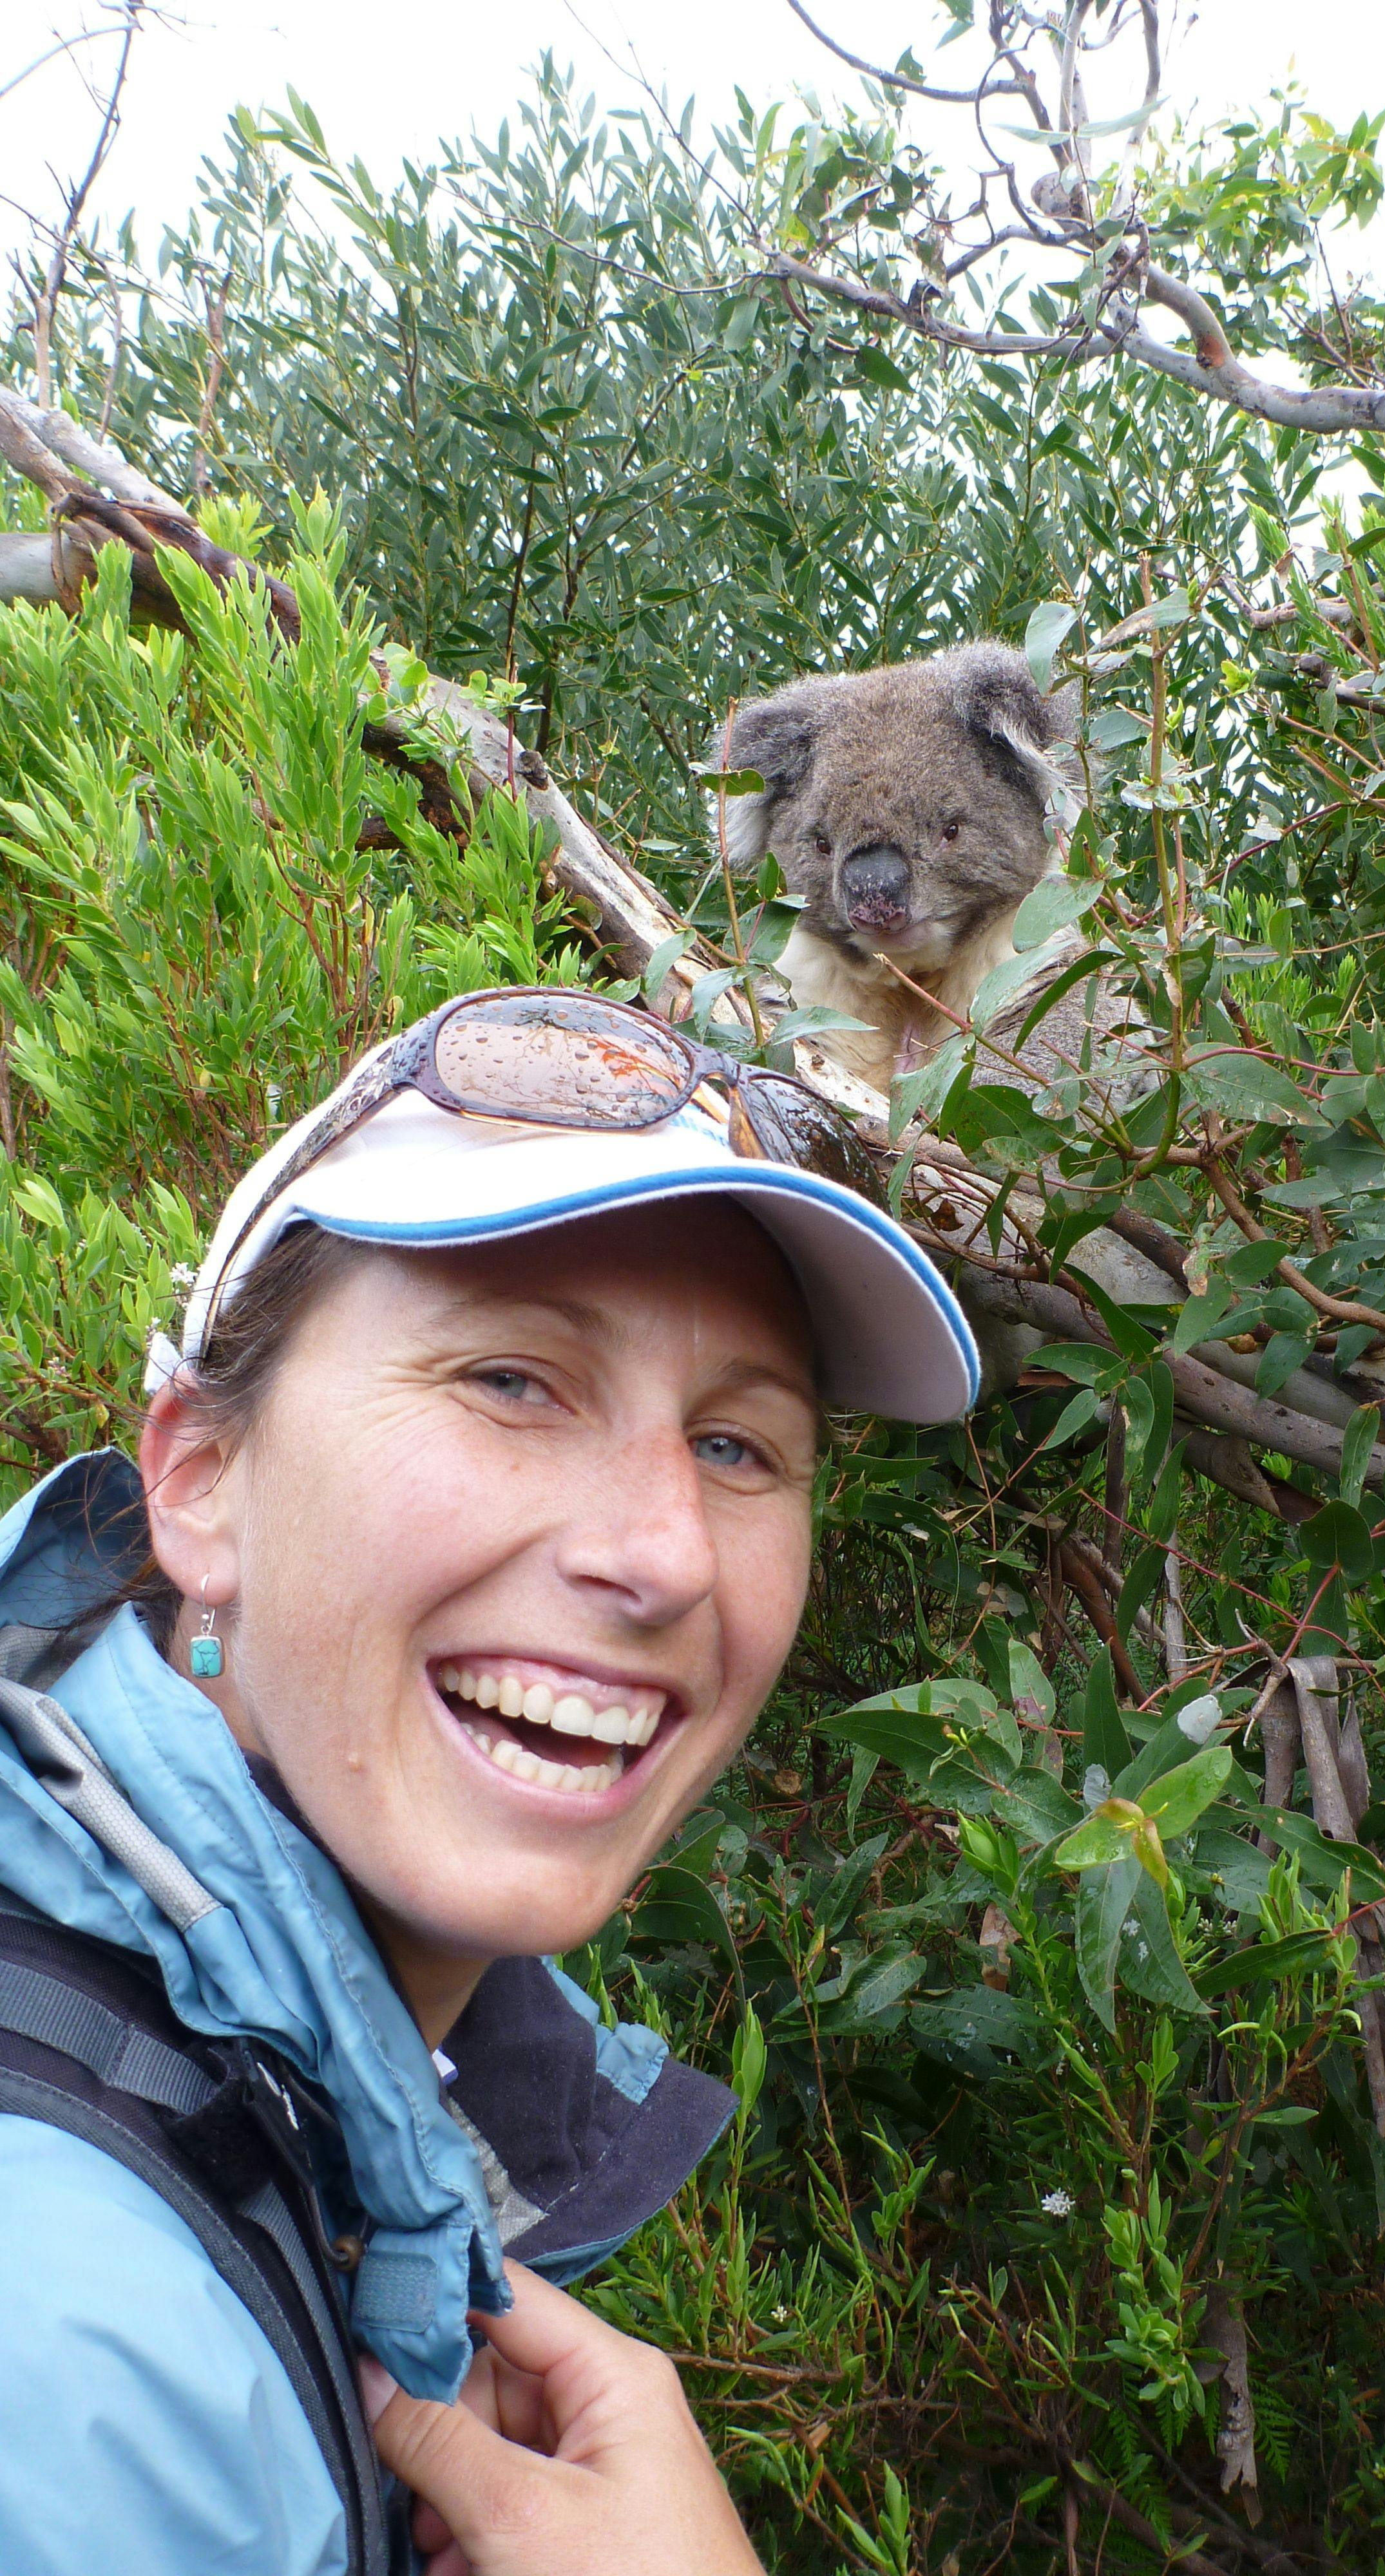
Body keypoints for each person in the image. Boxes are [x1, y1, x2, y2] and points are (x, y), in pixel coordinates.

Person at [0, 985, 978, 2576]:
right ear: (198, 1478)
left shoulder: (316, 2123)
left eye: (740, 1447)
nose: (661, 1554)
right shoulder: (72, 2355)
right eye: (513, 1381)